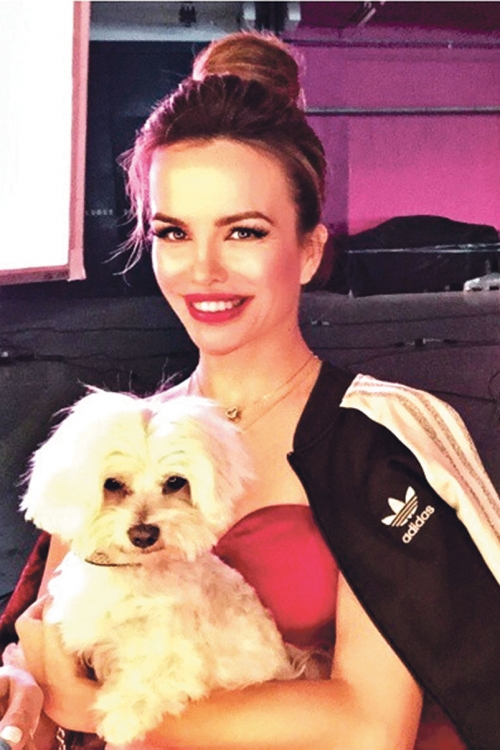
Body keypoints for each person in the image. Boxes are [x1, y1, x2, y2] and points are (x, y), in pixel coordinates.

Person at [1, 30, 500, 750]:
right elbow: (55, 651)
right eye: (174, 232)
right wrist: (30, 695)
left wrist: (95, 708)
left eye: (243, 232)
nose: (203, 270)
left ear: (309, 249)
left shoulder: (375, 440)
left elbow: (369, 728)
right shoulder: (107, 446)